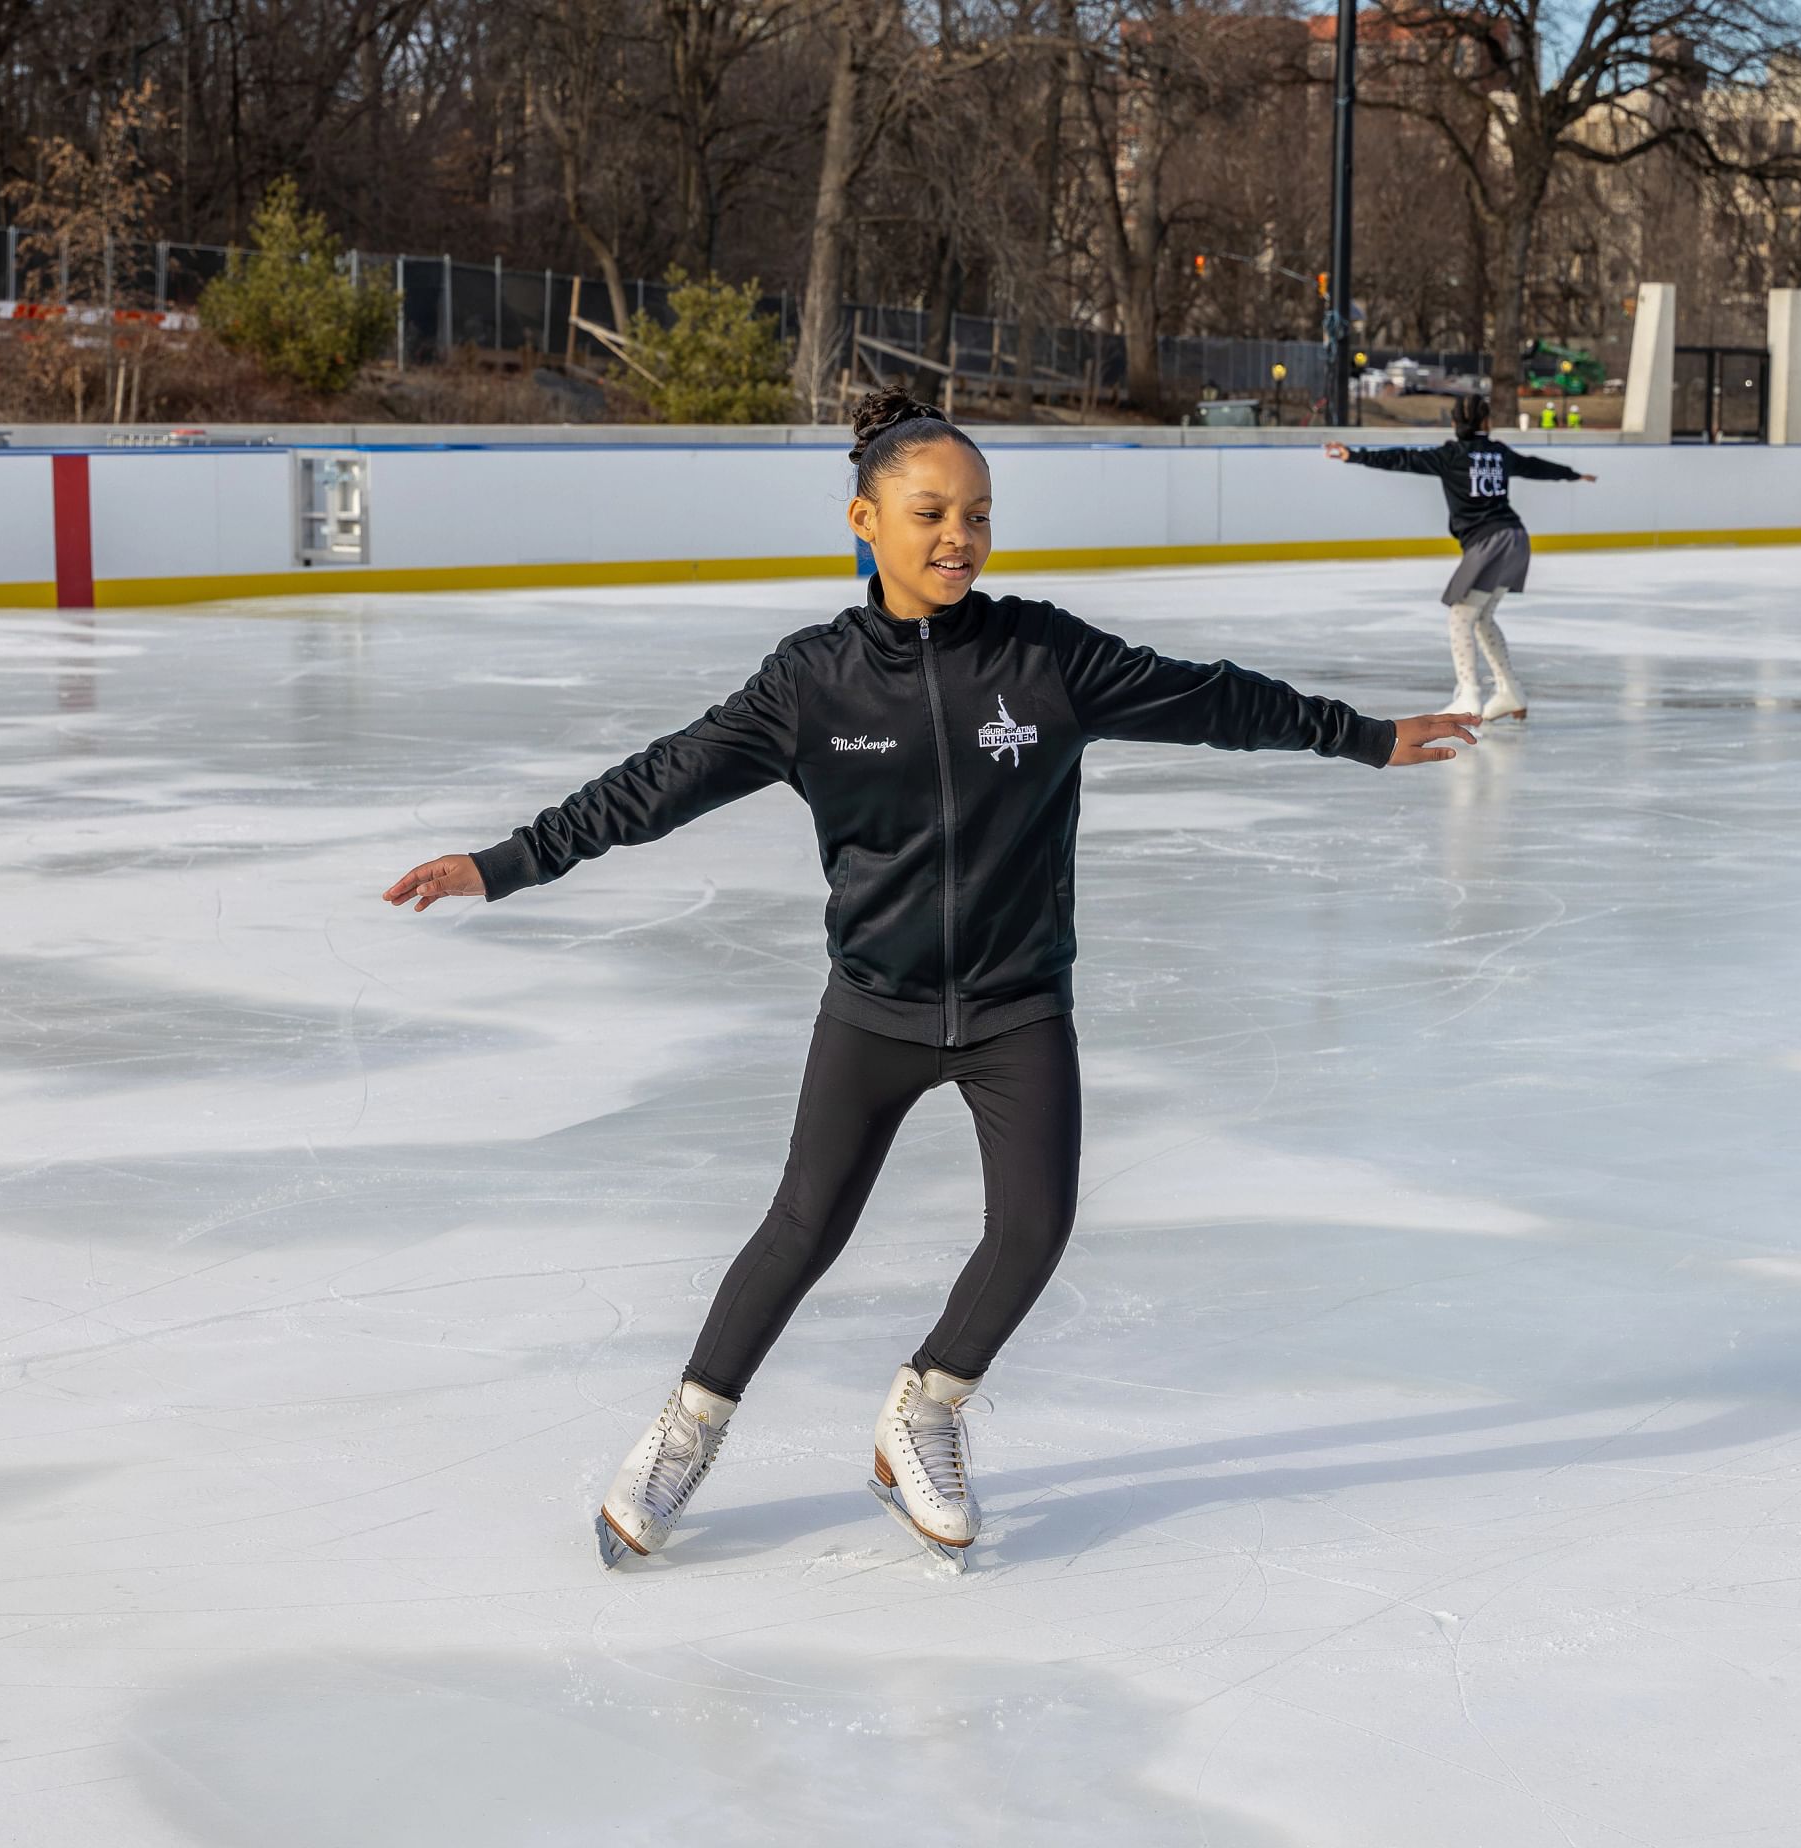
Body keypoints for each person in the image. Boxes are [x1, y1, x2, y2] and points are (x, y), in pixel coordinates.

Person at [382, 389, 1479, 1569]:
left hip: (1017, 1005)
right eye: (930, 512)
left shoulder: (1042, 657)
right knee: (802, 1229)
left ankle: (927, 1406)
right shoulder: (811, 684)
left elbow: (1206, 695)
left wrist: (1357, 735)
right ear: (865, 519)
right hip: (875, 1006)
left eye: (978, 514)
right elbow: (654, 785)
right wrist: (502, 864)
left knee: (1035, 1227)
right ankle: (685, 1429)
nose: (957, 535)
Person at [1325, 392, 1596, 723]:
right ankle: (1511, 692)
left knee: (1460, 617)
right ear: (1486, 422)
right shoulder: (1499, 453)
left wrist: (1354, 455)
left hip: (1490, 543)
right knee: (1480, 618)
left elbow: (1403, 459)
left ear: (1454, 423)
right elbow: (1534, 467)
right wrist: (1571, 474)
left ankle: (1469, 696)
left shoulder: (1450, 455)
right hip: (1515, 538)